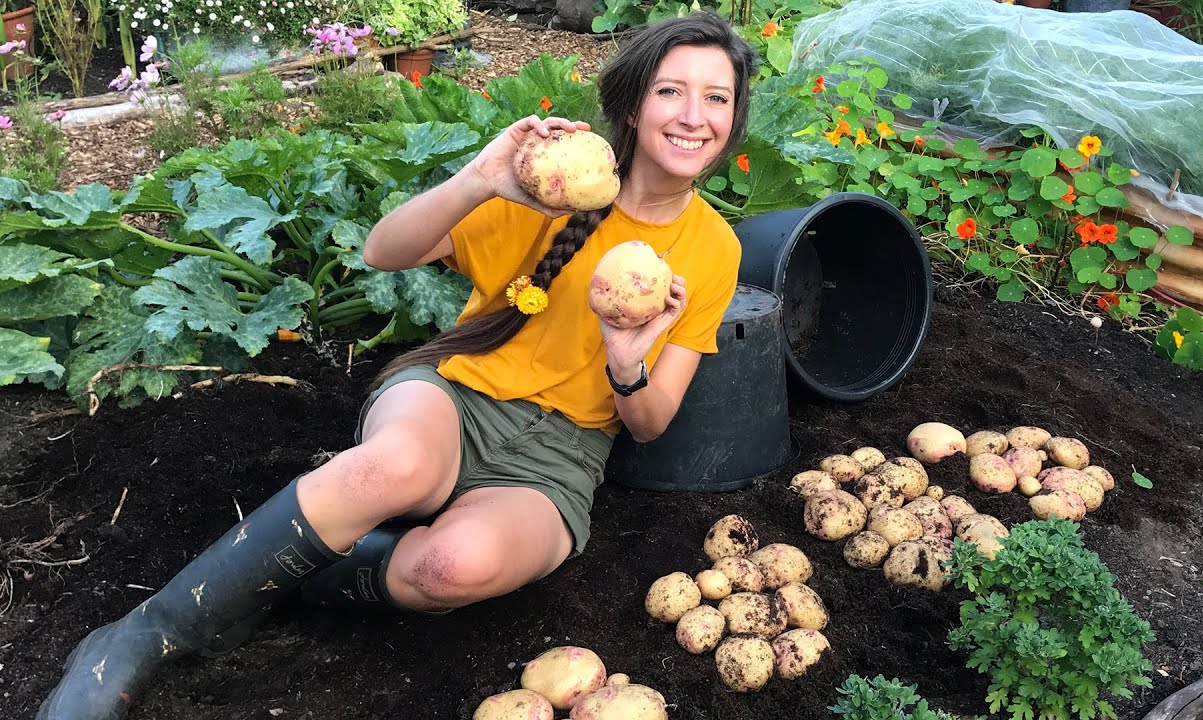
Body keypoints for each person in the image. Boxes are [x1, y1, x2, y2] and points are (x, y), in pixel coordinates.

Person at [37, 10, 759, 719]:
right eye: (671, 90)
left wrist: (625, 360)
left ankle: (289, 574)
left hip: (561, 455)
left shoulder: (714, 248)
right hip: (457, 392)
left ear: (733, 119)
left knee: (452, 568)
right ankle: (148, 632)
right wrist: (478, 179)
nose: (693, 114)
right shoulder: (553, 190)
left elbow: (650, 423)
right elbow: (381, 252)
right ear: (633, 104)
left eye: (716, 97)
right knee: (392, 470)